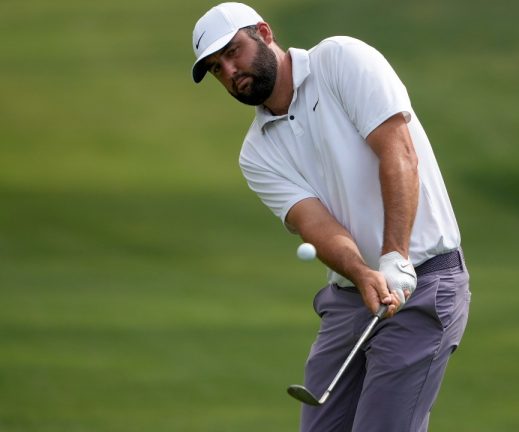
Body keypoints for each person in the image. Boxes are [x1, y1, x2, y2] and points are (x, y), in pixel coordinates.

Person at [190, 3, 471, 431]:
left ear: (264, 32)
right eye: (216, 68)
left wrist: (394, 256)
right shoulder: (257, 153)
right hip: (349, 297)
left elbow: (398, 152)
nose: (229, 70)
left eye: (233, 52)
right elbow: (317, 226)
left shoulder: (340, 59)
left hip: (425, 282)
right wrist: (362, 272)